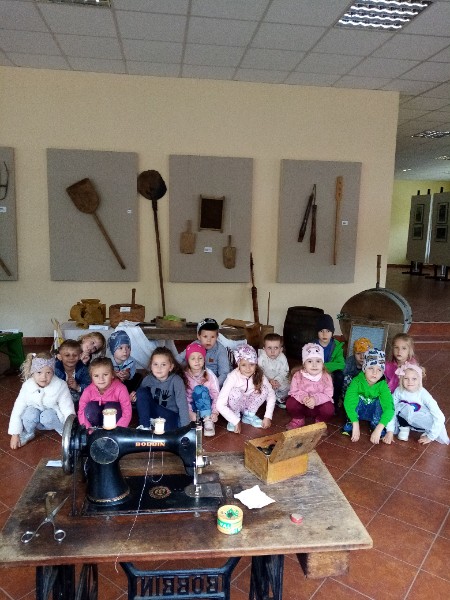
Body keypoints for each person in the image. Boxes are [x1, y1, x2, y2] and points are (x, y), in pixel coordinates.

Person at [8, 352, 75, 449]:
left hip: (51, 418)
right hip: (35, 419)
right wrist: (15, 434)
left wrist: (70, 430)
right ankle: (29, 432)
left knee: (47, 416)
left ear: (53, 372)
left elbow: (67, 407)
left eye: (48, 373)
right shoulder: (27, 386)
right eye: (39, 372)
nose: (43, 377)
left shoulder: (61, 385)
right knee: (29, 413)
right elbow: (18, 408)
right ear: (33, 372)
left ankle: (62, 430)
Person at [385, 362, 449, 445]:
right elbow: (391, 409)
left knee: (434, 420)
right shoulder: (399, 391)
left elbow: (440, 416)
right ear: (401, 379)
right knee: (396, 407)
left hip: (420, 417)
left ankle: (425, 430)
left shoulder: (423, 394)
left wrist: (430, 437)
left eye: (414, 379)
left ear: (419, 380)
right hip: (405, 415)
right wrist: (390, 431)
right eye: (406, 378)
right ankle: (404, 426)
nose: (410, 382)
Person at [216, 344, 275, 433]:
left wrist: (268, 416)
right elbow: (220, 404)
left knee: (264, 389)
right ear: (238, 365)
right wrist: (234, 420)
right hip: (234, 406)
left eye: (251, 364)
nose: (248, 368)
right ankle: (235, 416)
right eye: (243, 365)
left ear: (256, 364)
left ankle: (249, 415)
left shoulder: (260, 375)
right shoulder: (232, 377)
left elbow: (271, 394)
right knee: (235, 391)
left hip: (248, 405)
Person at [343, 348, 395, 444]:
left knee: (381, 402)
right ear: (364, 368)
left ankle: (375, 424)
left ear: (382, 372)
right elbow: (349, 402)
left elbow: (389, 408)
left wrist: (379, 428)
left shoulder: (383, 386)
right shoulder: (356, 381)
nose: (375, 373)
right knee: (355, 399)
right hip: (359, 411)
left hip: (373, 413)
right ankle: (351, 422)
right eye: (371, 368)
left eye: (379, 369)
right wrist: (355, 423)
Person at [136, 347, 189, 431]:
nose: (159, 368)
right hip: (152, 414)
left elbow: (183, 406)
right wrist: (133, 399)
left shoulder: (176, 381)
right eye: (155, 364)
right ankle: (145, 427)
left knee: (166, 435)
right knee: (140, 392)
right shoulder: (147, 379)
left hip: (169, 415)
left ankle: (156, 426)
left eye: (163, 365)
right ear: (151, 366)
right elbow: (142, 401)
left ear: (171, 367)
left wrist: (185, 429)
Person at [285, 343, 334, 430]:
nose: (314, 365)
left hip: (318, 407)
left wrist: (315, 399)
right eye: (310, 361)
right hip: (303, 405)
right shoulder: (298, 375)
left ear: (322, 364)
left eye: (318, 361)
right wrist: (304, 398)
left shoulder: (326, 377)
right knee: (290, 403)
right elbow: (294, 391)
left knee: (329, 408)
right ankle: (298, 418)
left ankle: (319, 422)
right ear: (304, 364)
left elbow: (328, 394)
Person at [169, 318, 231, 387]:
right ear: (199, 336)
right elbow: (179, 358)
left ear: (217, 337)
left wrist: (213, 386)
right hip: (193, 378)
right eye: (205, 336)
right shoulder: (194, 345)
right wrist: (170, 368)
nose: (209, 340)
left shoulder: (220, 350)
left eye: (212, 337)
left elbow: (224, 373)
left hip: (213, 382)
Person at [78, 357, 132, 429]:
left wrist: (118, 429)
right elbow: (81, 411)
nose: (101, 379)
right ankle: (95, 430)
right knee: (91, 408)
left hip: (114, 425)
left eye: (105, 374)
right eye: (96, 376)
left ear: (112, 375)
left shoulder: (121, 389)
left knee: (110, 407)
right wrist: (88, 429)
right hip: (95, 424)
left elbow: (127, 411)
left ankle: (110, 432)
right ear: (91, 377)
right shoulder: (88, 391)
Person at [184, 341, 220, 437]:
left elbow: (216, 394)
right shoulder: (184, 376)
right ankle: (194, 419)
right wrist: (189, 412)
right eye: (193, 358)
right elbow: (183, 397)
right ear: (188, 360)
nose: (197, 361)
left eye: (200, 358)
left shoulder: (209, 375)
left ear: (204, 359)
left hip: (206, 406)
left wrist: (215, 412)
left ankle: (207, 420)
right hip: (191, 407)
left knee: (199, 389)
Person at [315, 314, 345, 407]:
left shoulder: (337, 346)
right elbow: (306, 362)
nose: (324, 334)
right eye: (321, 331)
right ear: (317, 332)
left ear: (332, 332)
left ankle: (334, 402)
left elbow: (341, 364)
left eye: (328, 331)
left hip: (330, 372)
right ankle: (315, 400)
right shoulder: (312, 346)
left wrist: (323, 366)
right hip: (315, 372)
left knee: (339, 375)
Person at [258, 333, 290, 409]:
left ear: (281, 349)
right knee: (259, 388)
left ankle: (278, 398)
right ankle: (268, 399)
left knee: (289, 386)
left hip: (278, 381)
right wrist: (268, 381)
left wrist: (277, 380)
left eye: (276, 348)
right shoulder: (262, 358)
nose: (272, 351)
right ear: (264, 349)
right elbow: (259, 372)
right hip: (265, 381)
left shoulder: (282, 358)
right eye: (269, 348)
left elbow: (284, 371)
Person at [54, 339, 91, 405]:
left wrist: (77, 387)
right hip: (57, 400)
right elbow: (50, 386)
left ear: (80, 356)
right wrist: (64, 385)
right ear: (59, 357)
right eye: (67, 355)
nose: (71, 358)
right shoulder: (55, 369)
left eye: (75, 355)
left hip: (78, 402)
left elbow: (90, 387)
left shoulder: (84, 369)